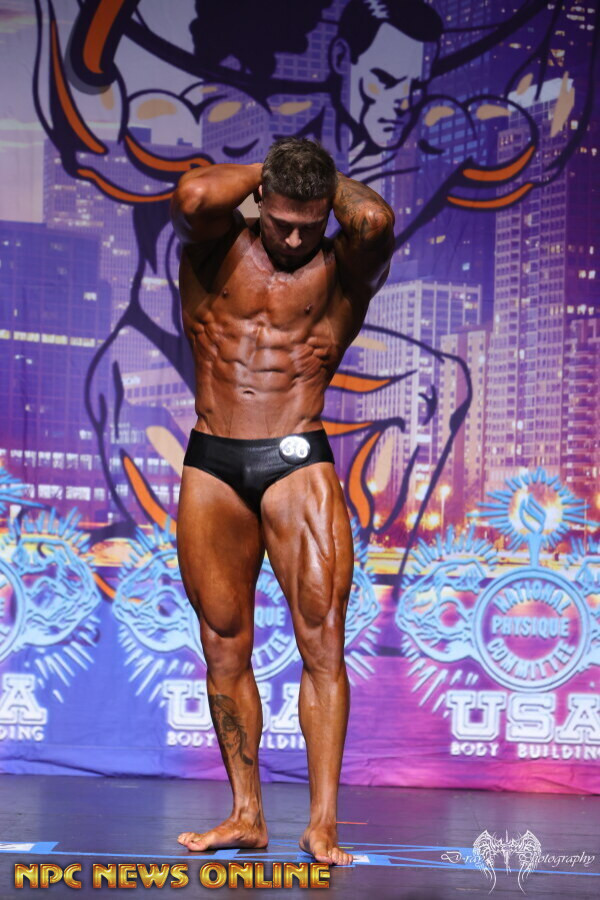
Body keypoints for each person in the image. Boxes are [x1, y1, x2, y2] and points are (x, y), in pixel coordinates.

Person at [170, 137, 394, 866]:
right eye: (281, 221)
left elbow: (373, 219)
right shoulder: (216, 246)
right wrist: (270, 174)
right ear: (258, 198)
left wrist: (321, 182)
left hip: (297, 457)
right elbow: (193, 195)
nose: (295, 239)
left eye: (310, 223)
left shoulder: (343, 265)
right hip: (214, 460)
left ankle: (321, 823)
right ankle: (246, 815)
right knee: (222, 642)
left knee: (322, 643)